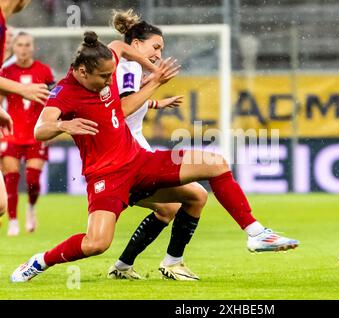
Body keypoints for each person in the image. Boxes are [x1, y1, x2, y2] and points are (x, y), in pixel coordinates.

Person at [10, 31, 297, 283]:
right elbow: (40, 129)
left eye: (112, 75)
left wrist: (151, 67)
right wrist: (62, 125)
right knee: (96, 244)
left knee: (215, 166)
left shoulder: (104, 59)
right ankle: (39, 261)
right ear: (83, 72)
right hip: (106, 177)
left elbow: (118, 47)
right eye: (104, 77)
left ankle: (256, 233)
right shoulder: (64, 93)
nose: (110, 82)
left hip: (140, 162)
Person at [106, 10, 299, 282]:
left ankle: (131, 266)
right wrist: (155, 84)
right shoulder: (130, 66)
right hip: (131, 161)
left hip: (121, 162)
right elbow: (122, 109)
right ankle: (256, 233)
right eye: (156, 47)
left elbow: (117, 103)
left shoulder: (128, 69)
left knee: (184, 202)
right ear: (136, 44)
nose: (160, 55)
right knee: (216, 164)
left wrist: (154, 100)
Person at [0, 0, 51, 223]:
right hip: (15, 135)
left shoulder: (3, 21)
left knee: (1, 203)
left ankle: (29, 211)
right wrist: (23, 89)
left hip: (32, 134)